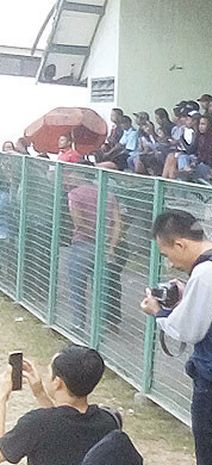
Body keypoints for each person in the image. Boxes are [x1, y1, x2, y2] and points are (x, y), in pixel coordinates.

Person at [140, 210, 212, 465]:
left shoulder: (205, 274)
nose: (170, 263)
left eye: (167, 254)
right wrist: (186, 296)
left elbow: (188, 330)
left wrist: (158, 312)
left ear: (180, 244)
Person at [0, 346, 122, 465]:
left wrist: (2, 397)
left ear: (58, 383)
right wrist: (40, 393)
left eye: (49, 371)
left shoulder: (36, 424)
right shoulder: (110, 421)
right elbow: (63, 423)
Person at [66, 169, 122, 330]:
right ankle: (103, 324)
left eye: (72, 174)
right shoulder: (108, 195)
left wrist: (94, 234)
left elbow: (78, 221)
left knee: (77, 286)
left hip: (83, 244)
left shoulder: (75, 194)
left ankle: (78, 323)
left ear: (79, 175)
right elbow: (117, 223)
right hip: (105, 246)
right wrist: (110, 245)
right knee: (103, 287)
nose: (69, 177)